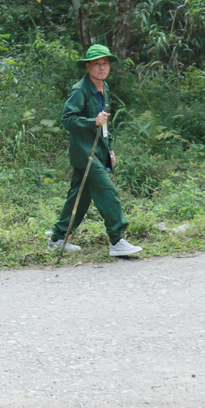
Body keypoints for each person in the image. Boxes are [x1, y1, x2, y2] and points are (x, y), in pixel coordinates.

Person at [49, 44, 143, 258]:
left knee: (79, 197)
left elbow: (105, 123)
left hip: (99, 152)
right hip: (84, 153)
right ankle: (116, 240)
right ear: (88, 66)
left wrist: (110, 149)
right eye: (97, 64)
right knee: (108, 192)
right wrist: (92, 121)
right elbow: (67, 120)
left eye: (105, 63)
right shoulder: (80, 90)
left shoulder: (104, 87)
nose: (102, 68)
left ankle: (57, 238)